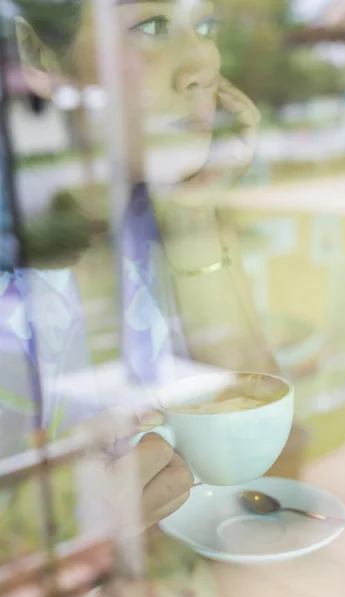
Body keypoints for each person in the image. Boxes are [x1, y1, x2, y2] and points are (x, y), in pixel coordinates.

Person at [10, 0, 278, 534]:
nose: (201, 63)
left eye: (206, 26)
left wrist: (192, 216)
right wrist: (60, 536)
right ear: (36, 52)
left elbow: (259, 427)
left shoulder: (157, 210)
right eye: (152, 26)